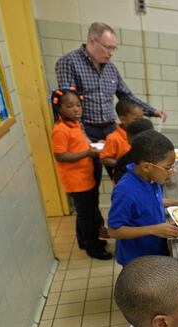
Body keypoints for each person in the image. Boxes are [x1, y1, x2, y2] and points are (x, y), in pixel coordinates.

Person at [56, 22, 167, 204]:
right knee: (89, 186)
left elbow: (126, 95)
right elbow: (68, 105)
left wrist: (153, 111)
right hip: (86, 130)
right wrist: (85, 140)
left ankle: (125, 216)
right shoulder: (69, 63)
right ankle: (93, 225)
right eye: (108, 47)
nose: (111, 53)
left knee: (124, 176)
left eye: (114, 48)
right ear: (92, 41)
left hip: (110, 130)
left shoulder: (110, 68)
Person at [107, 130, 178, 266]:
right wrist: (154, 229)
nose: (172, 171)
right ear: (146, 167)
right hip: (138, 258)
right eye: (168, 167)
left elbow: (148, 203)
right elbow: (114, 231)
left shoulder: (150, 178)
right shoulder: (125, 192)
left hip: (155, 249)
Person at [50, 87, 112, 260]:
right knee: (86, 215)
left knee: (87, 210)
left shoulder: (75, 124)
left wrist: (93, 144)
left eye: (78, 105)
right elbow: (61, 155)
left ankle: (84, 240)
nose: (76, 109)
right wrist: (87, 153)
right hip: (76, 181)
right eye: (70, 106)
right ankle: (93, 247)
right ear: (59, 109)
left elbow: (80, 144)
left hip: (86, 176)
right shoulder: (61, 130)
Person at [100, 99, 143, 181]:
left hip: (139, 178)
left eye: (142, 119)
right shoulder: (113, 138)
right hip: (123, 178)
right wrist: (122, 164)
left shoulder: (142, 134)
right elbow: (103, 159)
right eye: (136, 119)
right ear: (123, 119)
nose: (140, 123)